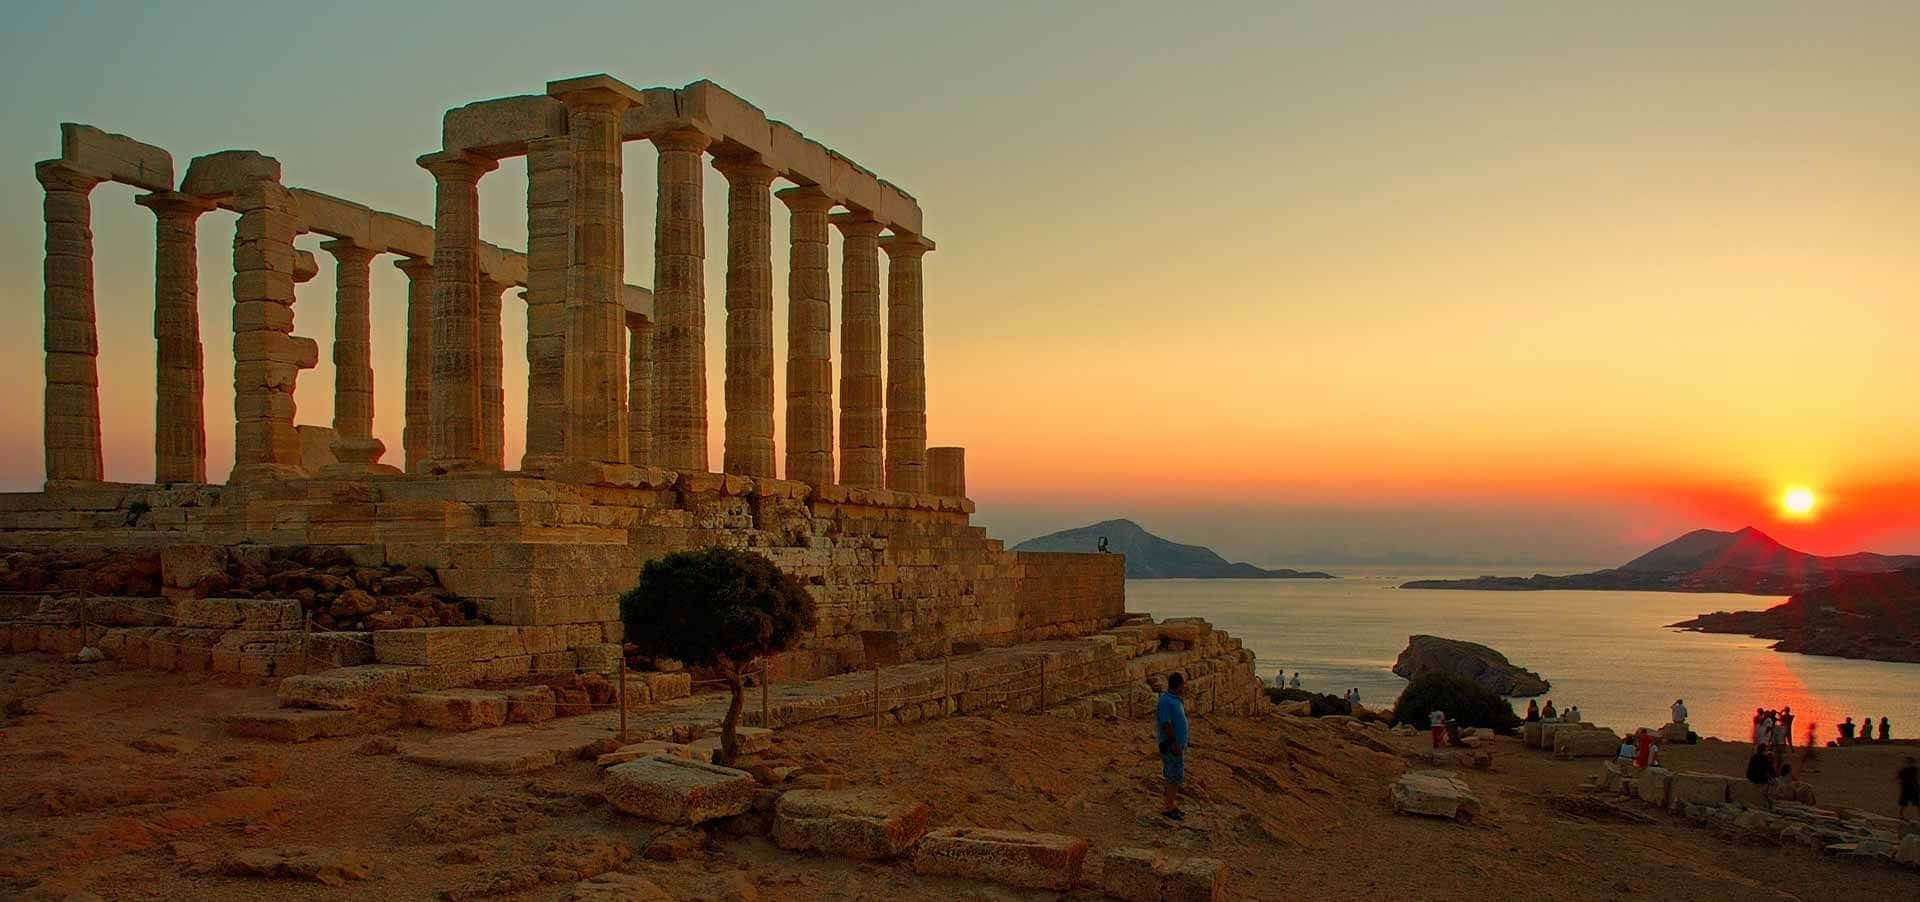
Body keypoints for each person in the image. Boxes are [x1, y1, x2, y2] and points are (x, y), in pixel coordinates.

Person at [1156, 672, 1190, 821]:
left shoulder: (1174, 699)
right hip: (1171, 746)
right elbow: (1166, 724)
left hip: (1176, 745)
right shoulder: (1166, 701)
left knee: (1175, 777)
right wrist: (1175, 742)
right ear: (1179, 685)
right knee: (1172, 777)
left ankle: (1171, 805)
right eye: (1183, 685)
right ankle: (1168, 807)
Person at [1898, 756, 1919, 823]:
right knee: (1905, 804)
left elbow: (1899, 779)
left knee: (1915, 803)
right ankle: (1901, 815)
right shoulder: (1906, 770)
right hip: (1909, 789)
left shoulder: (1911, 770)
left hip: (1911, 789)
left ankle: (1901, 815)